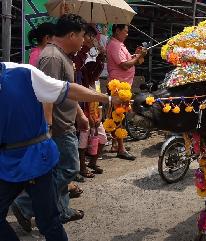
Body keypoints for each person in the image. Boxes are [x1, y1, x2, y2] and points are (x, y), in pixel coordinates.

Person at [0, 62, 122, 241]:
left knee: (48, 222)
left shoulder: (22, 73)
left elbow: (67, 90)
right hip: (6, 162)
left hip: (36, 160)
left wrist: (108, 99)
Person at [13, 14, 91, 228]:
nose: (84, 40)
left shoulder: (62, 55)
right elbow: (46, 94)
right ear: (72, 34)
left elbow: (66, 92)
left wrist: (81, 116)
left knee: (57, 170)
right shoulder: (52, 58)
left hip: (64, 123)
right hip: (56, 127)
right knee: (68, 169)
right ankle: (25, 204)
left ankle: (61, 210)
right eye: (82, 36)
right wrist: (48, 125)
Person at [106, 24, 146, 160]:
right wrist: (138, 56)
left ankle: (115, 144)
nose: (127, 34)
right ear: (117, 31)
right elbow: (125, 65)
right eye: (125, 31)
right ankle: (121, 148)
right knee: (118, 116)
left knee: (116, 116)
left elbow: (129, 60)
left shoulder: (119, 44)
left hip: (123, 84)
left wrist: (136, 54)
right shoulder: (114, 45)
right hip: (118, 85)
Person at [73, 25, 107, 178]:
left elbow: (92, 76)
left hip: (91, 98)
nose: (92, 40)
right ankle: (81, 167)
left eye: (94, 37)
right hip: (80, 101)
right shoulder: (77, 56)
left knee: (100, 135)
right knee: (83, 135)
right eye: (89, 36)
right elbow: (82, 80)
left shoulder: (87, 55)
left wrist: (101, 58)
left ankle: (91, 162)